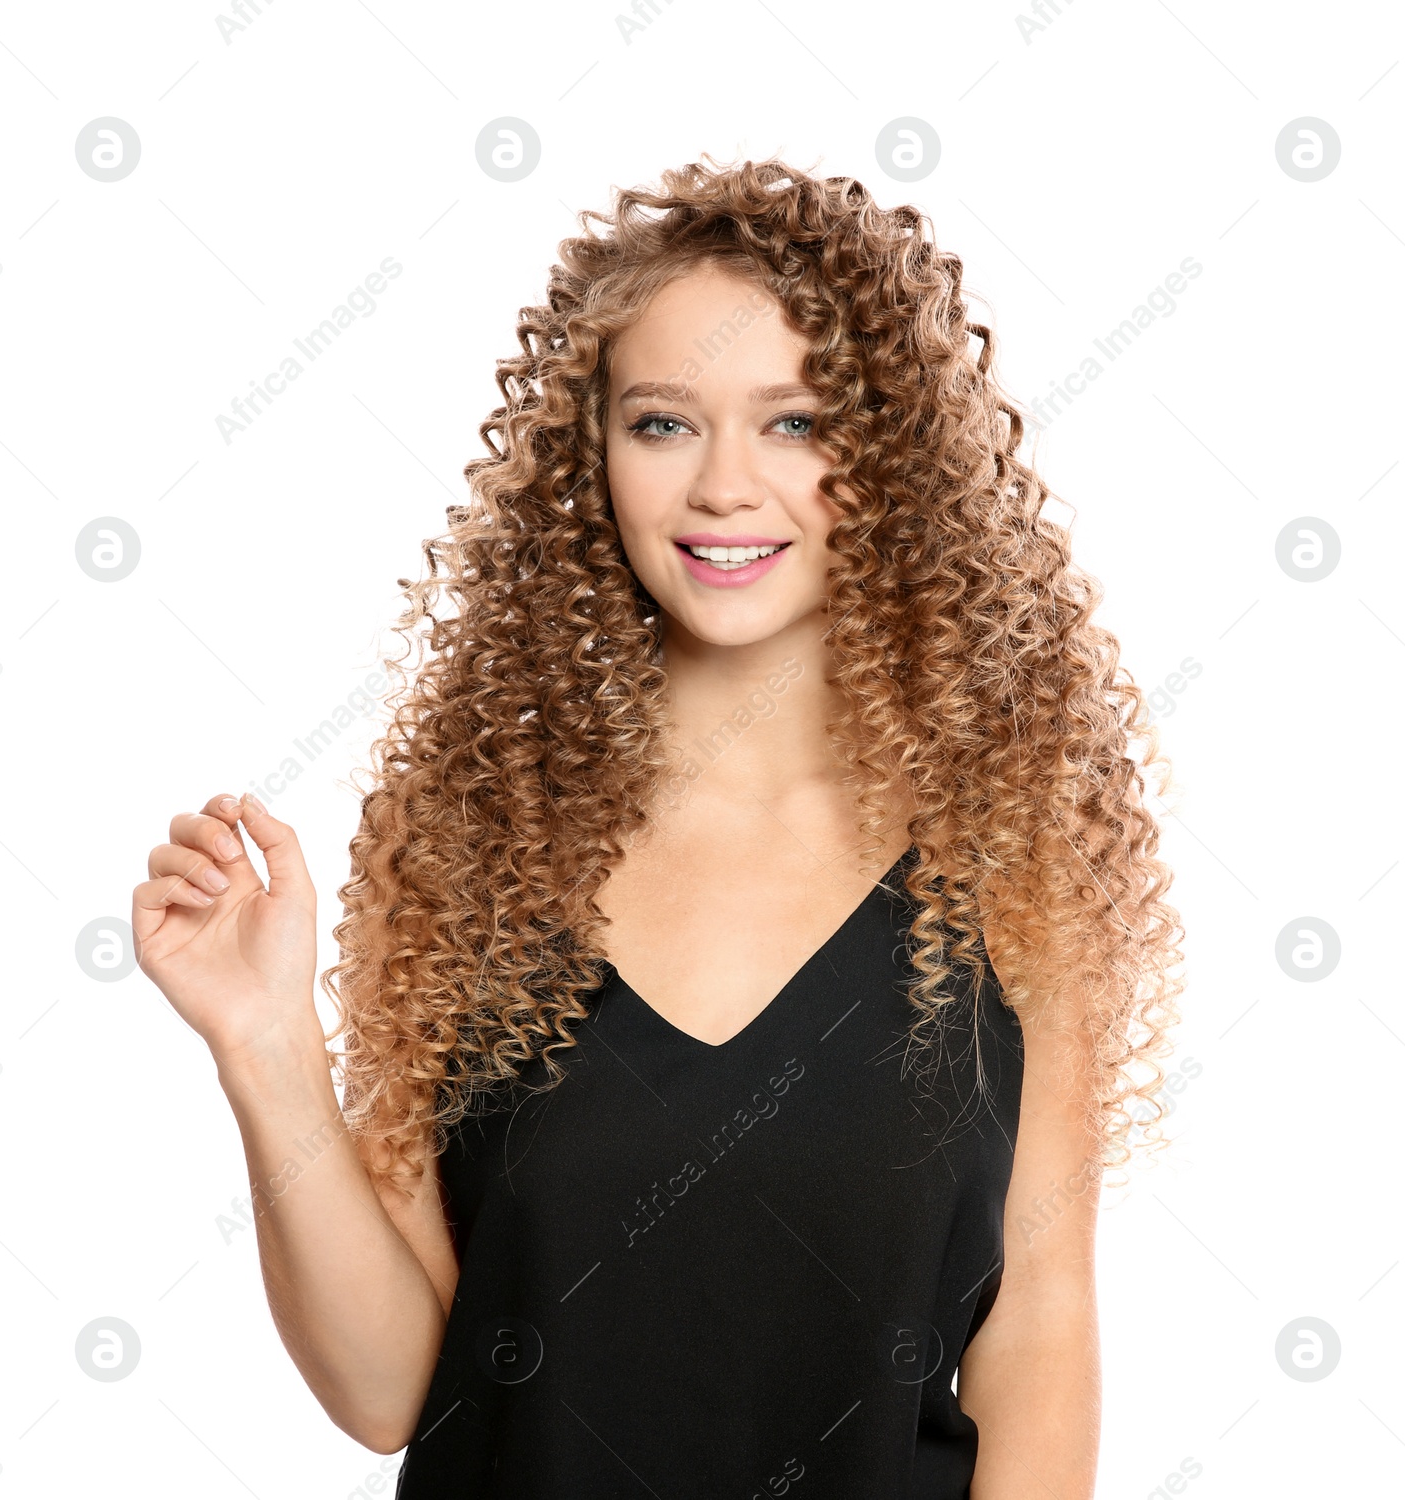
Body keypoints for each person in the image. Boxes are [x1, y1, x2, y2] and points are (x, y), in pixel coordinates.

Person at [132, 156, 1183, 1499]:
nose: (725, 489)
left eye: (797, 423)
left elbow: (1036, 1336)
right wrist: (267, 1045)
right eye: (664, 424)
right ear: (594, 454)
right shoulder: (468, 843)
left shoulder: (1013, 848)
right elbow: (394, 1386)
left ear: (890, 455)